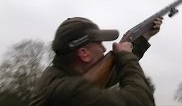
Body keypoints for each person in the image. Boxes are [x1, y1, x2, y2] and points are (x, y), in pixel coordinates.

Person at [29, 16, 163, 106]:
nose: (104, 48)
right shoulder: (66, 91)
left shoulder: (61, 74)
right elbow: (141, 101)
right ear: (84, 54)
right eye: (99, 43)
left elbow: (109, 74)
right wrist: (125, 57)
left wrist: (144, 37)